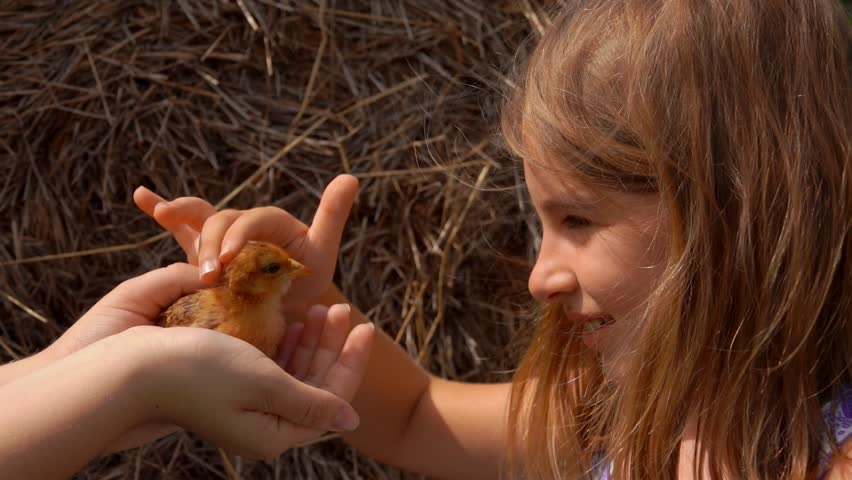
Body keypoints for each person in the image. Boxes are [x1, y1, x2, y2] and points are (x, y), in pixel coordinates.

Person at [133, 0, 852, 478]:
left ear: (741, 208)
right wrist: (301, 304)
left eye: (577, 221)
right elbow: (414, 416)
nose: (540, 276)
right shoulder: (616, 412)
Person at [0, 199, 376, 479]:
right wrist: (144, 377)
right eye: (276, 269)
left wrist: (68, 363)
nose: (294, 268)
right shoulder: (208, 317)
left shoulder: (267, 320)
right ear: (251, 282)